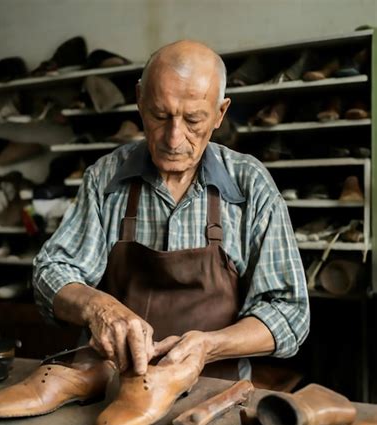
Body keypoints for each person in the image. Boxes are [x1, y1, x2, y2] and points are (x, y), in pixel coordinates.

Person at [33, 40, 310, 381]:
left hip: (213, 387)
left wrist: (211, 345)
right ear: (139, 100)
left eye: (193, 119)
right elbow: (52, 270)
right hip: (113, 381)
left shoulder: (250, 185)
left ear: (220, 113)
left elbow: (289, 312)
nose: (173, 138)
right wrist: (97, 308)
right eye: (159, 115)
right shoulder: (105, 178)